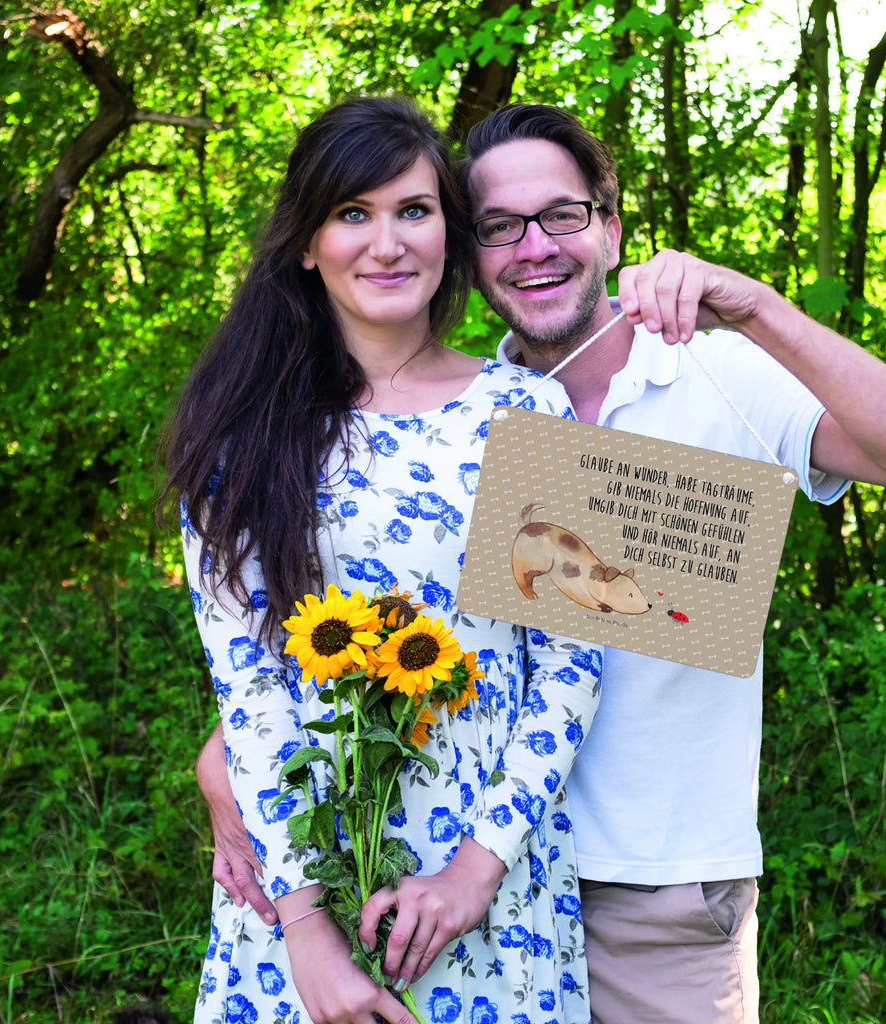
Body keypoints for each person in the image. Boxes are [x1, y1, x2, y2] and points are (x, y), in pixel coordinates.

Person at [198, 102, 886, 1023]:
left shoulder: (709, 371)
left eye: (561, 215)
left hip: (652, 888)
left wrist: (757, 307)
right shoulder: (456, 414)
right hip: (431, 876)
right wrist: (231, 767)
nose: (533, 247)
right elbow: (340, 631)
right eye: (498, 227)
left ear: (609, 226)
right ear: (471, 251)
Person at [161, 96, 607, 1024]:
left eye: (414, 210)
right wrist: (309, 937)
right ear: (305, 243)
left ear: (449, 229)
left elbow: (570, 665)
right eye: (352, 214)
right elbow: (250, 693)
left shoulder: (526, 412)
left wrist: (474, 873)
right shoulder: (241, 438)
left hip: (489, 889)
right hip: (300, 889)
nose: (387, 242)